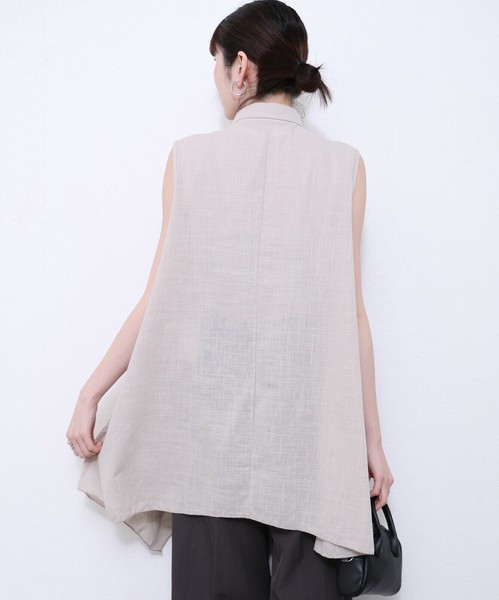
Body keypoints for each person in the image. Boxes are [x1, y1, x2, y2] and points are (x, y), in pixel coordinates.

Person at [66, 1, 394, 599]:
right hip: (312, 442)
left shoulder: (190, 159)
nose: (218, 81)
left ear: (241, 67)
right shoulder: (344, 167)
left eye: (218, 66)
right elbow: (353, 317)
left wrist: (92, 392)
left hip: (207, 442)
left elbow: (157, 300)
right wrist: (371, 442)